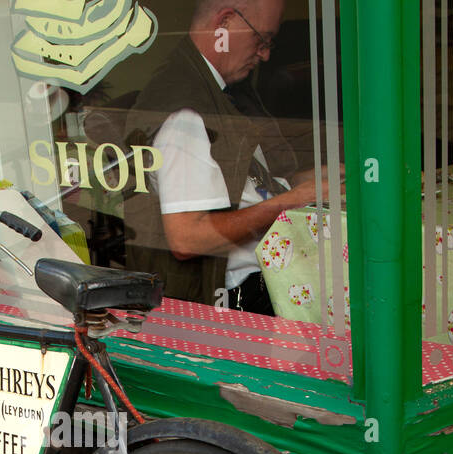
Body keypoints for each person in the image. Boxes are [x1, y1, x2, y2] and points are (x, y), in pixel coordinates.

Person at [123, 0, 341, 314]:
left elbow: (237, 187)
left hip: (271, 277)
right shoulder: (187, 112)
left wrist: (299, 183)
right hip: (245, 297)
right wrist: (292, 199)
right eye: (261, 39)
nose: (265, 54)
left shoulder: (215, 88)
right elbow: (187, 237)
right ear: (224, 22)